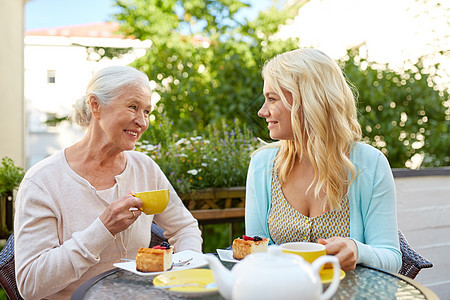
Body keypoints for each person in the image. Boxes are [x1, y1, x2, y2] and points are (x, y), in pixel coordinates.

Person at [14, 66, 202, 299]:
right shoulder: (42, 181)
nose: (142, 122)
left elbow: (185, 228)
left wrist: (183, 274)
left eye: (147, 112)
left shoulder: (145, 168)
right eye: (133, 107)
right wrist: (102, 229)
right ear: (95, 105)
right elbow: (30, 284)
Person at [245, 48, 401, 273]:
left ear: (307, 101)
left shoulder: (370, 164)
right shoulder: (262, 165)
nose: (262, 111)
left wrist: (358, 250)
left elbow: (392, 258)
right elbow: (256, 253)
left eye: (272, 99)